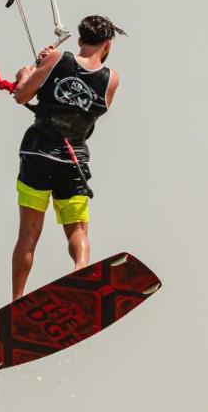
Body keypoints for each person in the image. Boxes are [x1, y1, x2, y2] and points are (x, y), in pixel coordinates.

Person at [8, 15, 125, 300]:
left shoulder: (58, 57)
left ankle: (17, 300)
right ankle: (80, 270)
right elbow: (93, 112)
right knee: (78, 230)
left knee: (28, 234)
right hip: (73, 160)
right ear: (107, 45)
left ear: (80, 39)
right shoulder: (111, 79)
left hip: (38, 153)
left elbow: (22, 95)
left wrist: (27, 74)